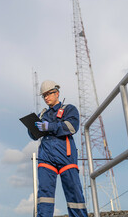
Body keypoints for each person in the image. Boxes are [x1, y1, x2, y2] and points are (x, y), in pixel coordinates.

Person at [28, 80, 88, 217]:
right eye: (44, 96)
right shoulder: (42, 114)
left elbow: (72, 127)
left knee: (74, 192)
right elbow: (33, 136)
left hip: (65, 155)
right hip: (46, 157)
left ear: (57, 93)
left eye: (49, 94)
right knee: (44, 195)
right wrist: (31, 127)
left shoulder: (69, 109)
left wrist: (50, 127)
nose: (46, 98)